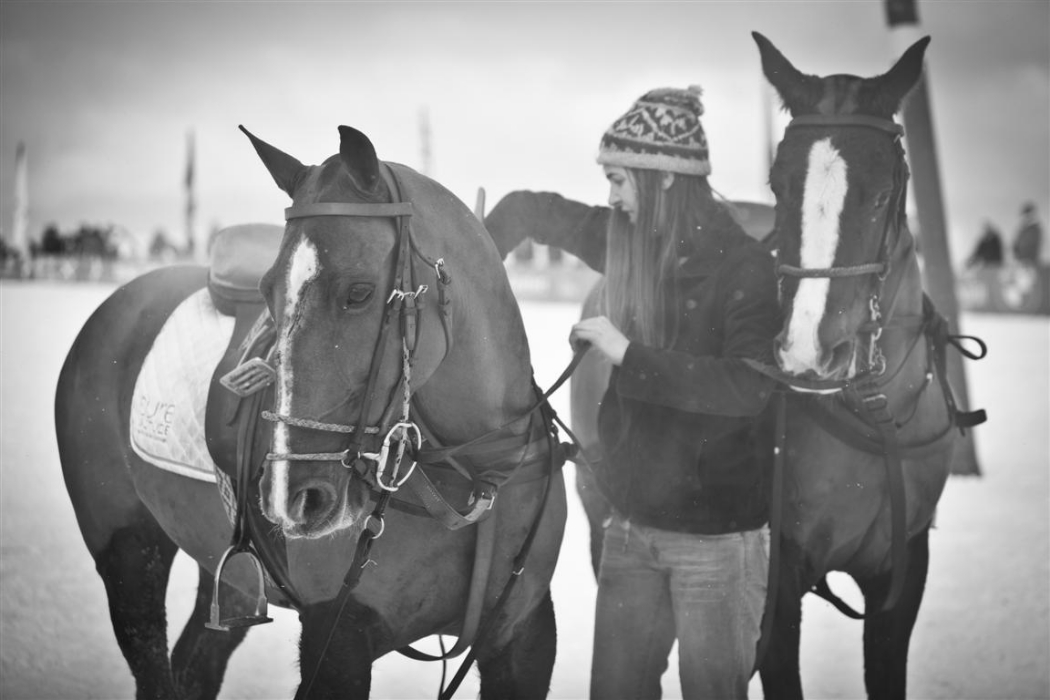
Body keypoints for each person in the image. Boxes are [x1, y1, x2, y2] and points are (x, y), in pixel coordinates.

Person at [487, 86, 780, 699]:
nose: (611, 196)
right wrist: (470, 257)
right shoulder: (630, 236)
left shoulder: (743, 267)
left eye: (620, 180)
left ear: (665, 178)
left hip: (717, 543)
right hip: (630, 530)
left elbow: (748, 387)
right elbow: (533, 210)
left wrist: (629, 355)